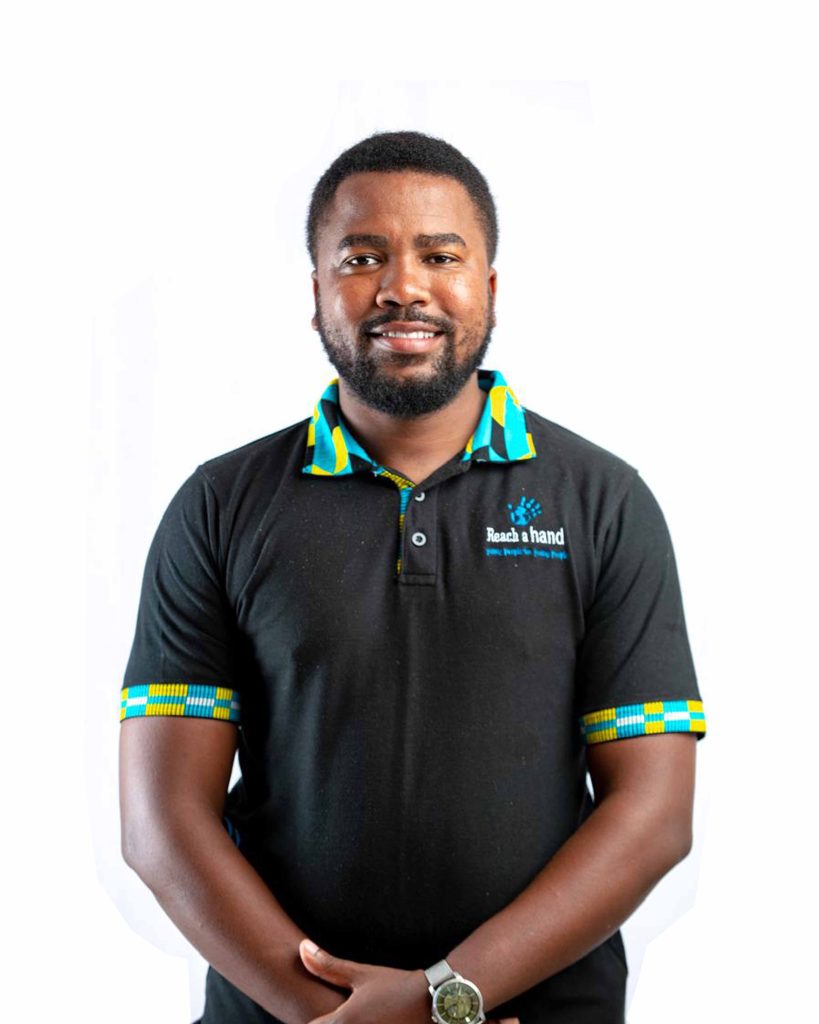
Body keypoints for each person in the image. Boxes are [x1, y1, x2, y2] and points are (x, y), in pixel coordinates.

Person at [119, 130, 706, 1024]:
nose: (402, 286)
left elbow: (652, 814)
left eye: (440, 255)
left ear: (490, 287)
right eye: (362, 258)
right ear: (316, 293)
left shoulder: (603, 502)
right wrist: (335, 1018)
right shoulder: (220, 507)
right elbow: (161, 824)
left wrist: (444, 1000)